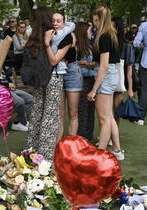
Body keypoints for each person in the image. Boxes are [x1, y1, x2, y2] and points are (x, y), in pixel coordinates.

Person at [25, 7, 71, 160]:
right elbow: (53, 61)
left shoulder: (34, 36)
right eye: (52, 19)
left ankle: (30, 152)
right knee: (50, 117)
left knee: (37, 114)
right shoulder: (57, 36)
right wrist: (46, 42)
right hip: (52, 77)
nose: (54, 22)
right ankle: (44, 158)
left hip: (38, 79)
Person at [87, 6, 124, 160]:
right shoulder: (111, 34)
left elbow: (103, 65)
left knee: (103, 118)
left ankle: (100, 153)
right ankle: (117, 150)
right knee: (108, 116)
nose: (93, 22)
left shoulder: (104, 36)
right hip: (111, 73)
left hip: (106, 75)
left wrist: (94, 90)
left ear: (99, 19)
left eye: (94, 19)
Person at [53, 13, 83, 142]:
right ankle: (57, 145)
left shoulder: (69, 34)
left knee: (72, 113)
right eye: (53, 21)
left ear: (64, 23)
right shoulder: (49, 36)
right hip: (56, 73)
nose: (55, 23)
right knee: (59, 114)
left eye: (58, 21)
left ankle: (71, 146)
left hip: (71, 72)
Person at [76, 22, 96, 141]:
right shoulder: (78, 48)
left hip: (91, 80)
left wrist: (89, 65)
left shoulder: (89, 46)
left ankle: (88, 136)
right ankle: (81, 138)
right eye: (89, 31)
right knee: (83, 110)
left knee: (90, 110)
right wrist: (89, 66)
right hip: (82, 81)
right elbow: (78, 66)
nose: (91, 33)